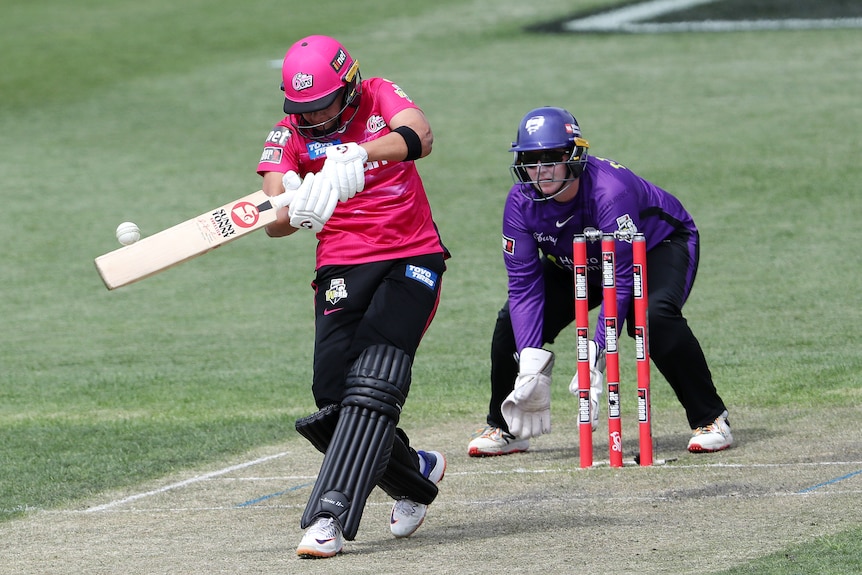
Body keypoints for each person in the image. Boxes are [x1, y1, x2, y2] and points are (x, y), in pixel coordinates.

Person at [257, 35, 449, 559]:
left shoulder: (379, 96)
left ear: (350, 85)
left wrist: (359, 152)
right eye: (303, 110)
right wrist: (292, 209)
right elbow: (273, 214)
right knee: (332, 395)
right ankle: (414, 474)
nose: (314, 119)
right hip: (341, 263)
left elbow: (420, 135)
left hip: (411, 254)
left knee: (375, 374)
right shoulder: (286, 135)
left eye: (322, 106)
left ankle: (328, 517)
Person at [467, 106, 732, 458]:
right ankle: (506, 428)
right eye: (531, 160)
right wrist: (530, 367)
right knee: (509, 326)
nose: (540, 171)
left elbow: (621, 281)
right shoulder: (520, 202)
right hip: (576, 261)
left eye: (551, 158)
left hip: (655, 247)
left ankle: (712, 419)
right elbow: (524, 287)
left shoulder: (609, 191)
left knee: (650, 318)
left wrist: (594, 354)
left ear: (574, 155)